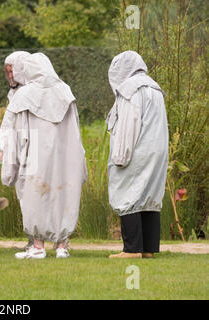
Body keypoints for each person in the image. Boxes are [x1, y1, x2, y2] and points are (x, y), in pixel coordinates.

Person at [0, 53, 87, 259]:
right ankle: (61, 246)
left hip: (34, 157)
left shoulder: (25, 95)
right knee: (64, 194)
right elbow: (76, 130)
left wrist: (10, 166)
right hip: (65, 157)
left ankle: (38, 246)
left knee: (34, 196)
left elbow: (15, 134)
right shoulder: (65, 91)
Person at [106, 51, 168, 259]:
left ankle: (131, 250)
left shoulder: (130, 90)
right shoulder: (154, 88)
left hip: (137, 150)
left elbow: (128, 125)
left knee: (128, 194)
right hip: (156, 151)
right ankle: (148, 249)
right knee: (148, 196)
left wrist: (120, 157)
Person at [0, 51, 34, 250]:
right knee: (23, 195)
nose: (10, 76)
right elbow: (7, 123)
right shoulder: (14, 94)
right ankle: (33, 238)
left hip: (36, 151)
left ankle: (55, 240)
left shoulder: (35, 91)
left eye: (13, 72)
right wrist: (2, 147)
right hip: (19, 150)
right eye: (7, 72)